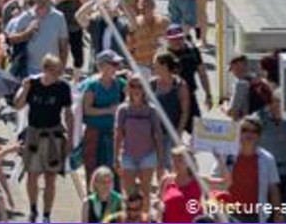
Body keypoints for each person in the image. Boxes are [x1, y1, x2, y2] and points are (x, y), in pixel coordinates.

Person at [14, 54, 73, 223]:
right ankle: (33, 209)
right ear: (45, 69)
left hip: (54, 135)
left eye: (59, 71)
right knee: (32, 174)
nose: (58, 75)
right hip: (34, 133)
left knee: (50, 177)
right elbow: (17, 105)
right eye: (55, 71)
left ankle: (47, 214)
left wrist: (70, 137)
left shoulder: (63, 87)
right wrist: (25, 89)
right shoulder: (32, 83)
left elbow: (68, 113)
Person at [211, 116, 281, 224]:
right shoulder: (226, 155)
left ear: (259, 136)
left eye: (254, 131)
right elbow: (213, 180)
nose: (249, 134)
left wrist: (278, 214)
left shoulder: (267, 159)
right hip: (228, 213)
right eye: (244, 130)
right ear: (238, 133)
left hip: (254, 215)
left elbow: (273, 188)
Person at [114, 74, 164, 215]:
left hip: (147, 155)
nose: (136, 89)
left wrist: (160, 161)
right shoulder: (123, 109)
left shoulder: (151, 110)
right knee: (130, 193)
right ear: (128, 88)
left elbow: (158, 136)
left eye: (140, 86)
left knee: (145, 191)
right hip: (128, 154)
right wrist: (115, 158)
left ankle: (145, 218)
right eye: (133, 86)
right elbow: (118, 135)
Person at [81, 50, 126, 182]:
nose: (117, 67)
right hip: (95, 133)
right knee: (93, 168)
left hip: (114, 133)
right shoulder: (92, 86)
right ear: (103, 66)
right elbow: (87, 110)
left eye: (117, 64)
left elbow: (134, 95)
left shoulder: (120, 83)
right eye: (114, 64)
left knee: (115, 168)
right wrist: (109, 110)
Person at [159, 146, 202, 224]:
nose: (175, 164)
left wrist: (220, 159)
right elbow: (160, 203)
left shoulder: (199, 181)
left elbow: (226, 183)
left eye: (180, 161)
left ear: (189, 163)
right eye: (173, 160)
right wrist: (160, 206)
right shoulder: (166, 180)